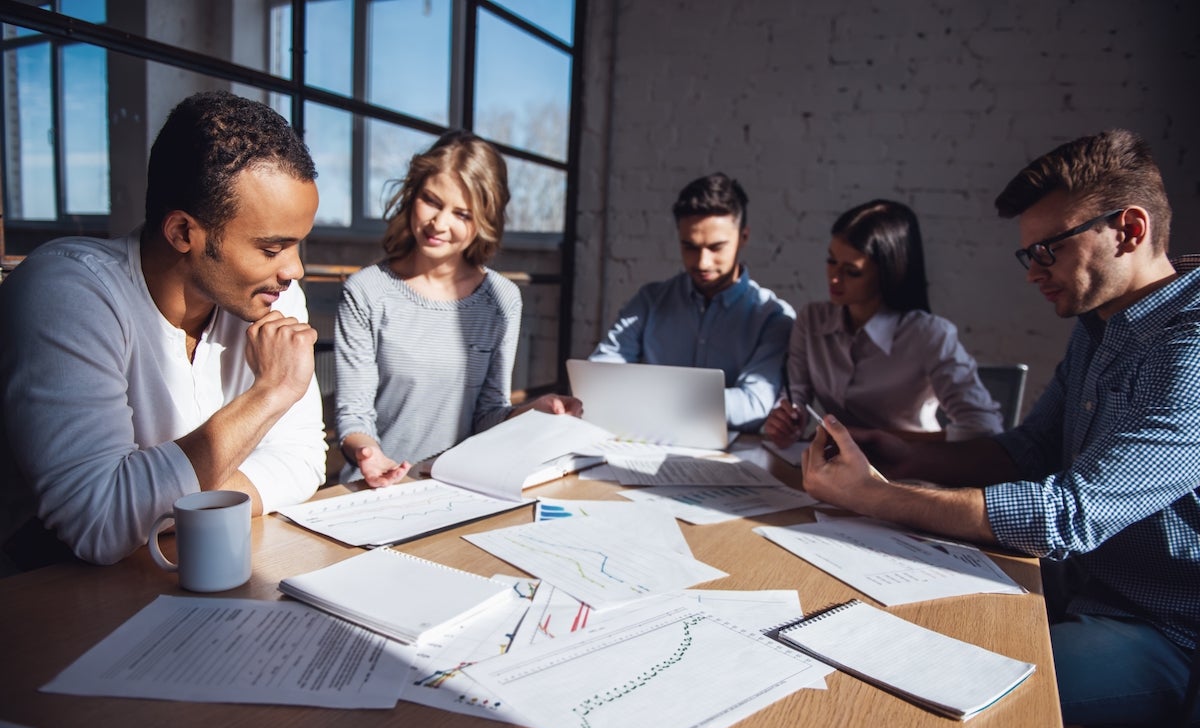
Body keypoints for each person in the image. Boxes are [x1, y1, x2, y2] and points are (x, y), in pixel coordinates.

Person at [800, 129, 1200, 728]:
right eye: (1028, 254)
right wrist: (906, 453)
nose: (1034, 272)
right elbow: (1028, 450)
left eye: (1050, 250)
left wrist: (875, 496)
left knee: (933, 692)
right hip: (1075, 589)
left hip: (1166, 627)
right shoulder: (1098, 325)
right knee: (877, 640)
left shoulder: (1190, 348)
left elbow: (1066, 515)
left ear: (1130, 230)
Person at [0, 90, 327, 568]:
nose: (295, 270)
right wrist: (270, 394)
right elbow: (100, 522)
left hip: (189, 577)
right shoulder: (69, 291)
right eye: (272, 248)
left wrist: (158, 500)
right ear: (181, 233)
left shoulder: (271, 297)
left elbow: (303, 462)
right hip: (47, 592)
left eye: (298, 245)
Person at [335, 130, 580, 486]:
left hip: (456, 487)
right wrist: (369, 455)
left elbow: (487, 415)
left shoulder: (502, 299)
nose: (439, 224)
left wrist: (533, 410)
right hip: (375, 490)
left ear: (484, 222)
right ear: (413, 195)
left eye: (461, 214)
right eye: (431, 201)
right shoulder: (366, 292)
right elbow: (353, 416)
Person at [763, 199, 1002, 447]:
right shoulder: (812, 320)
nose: (834, 279)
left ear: (888, 273)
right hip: (840, 468)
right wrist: (788, 418)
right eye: (831, 261)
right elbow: (796, 394)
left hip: (914, 468)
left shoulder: (930, 335)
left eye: (852, 271)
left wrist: (876, 439)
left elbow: (983, 429)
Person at [589, 173, 795, 431]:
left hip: (731, 460)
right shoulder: (650, 301)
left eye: (716, 247)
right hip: (646, 445)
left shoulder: (773, 317)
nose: (702, 263)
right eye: (690, 247)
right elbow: (600, 375)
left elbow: (753, 405)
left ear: (744, 237)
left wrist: (651, 398)